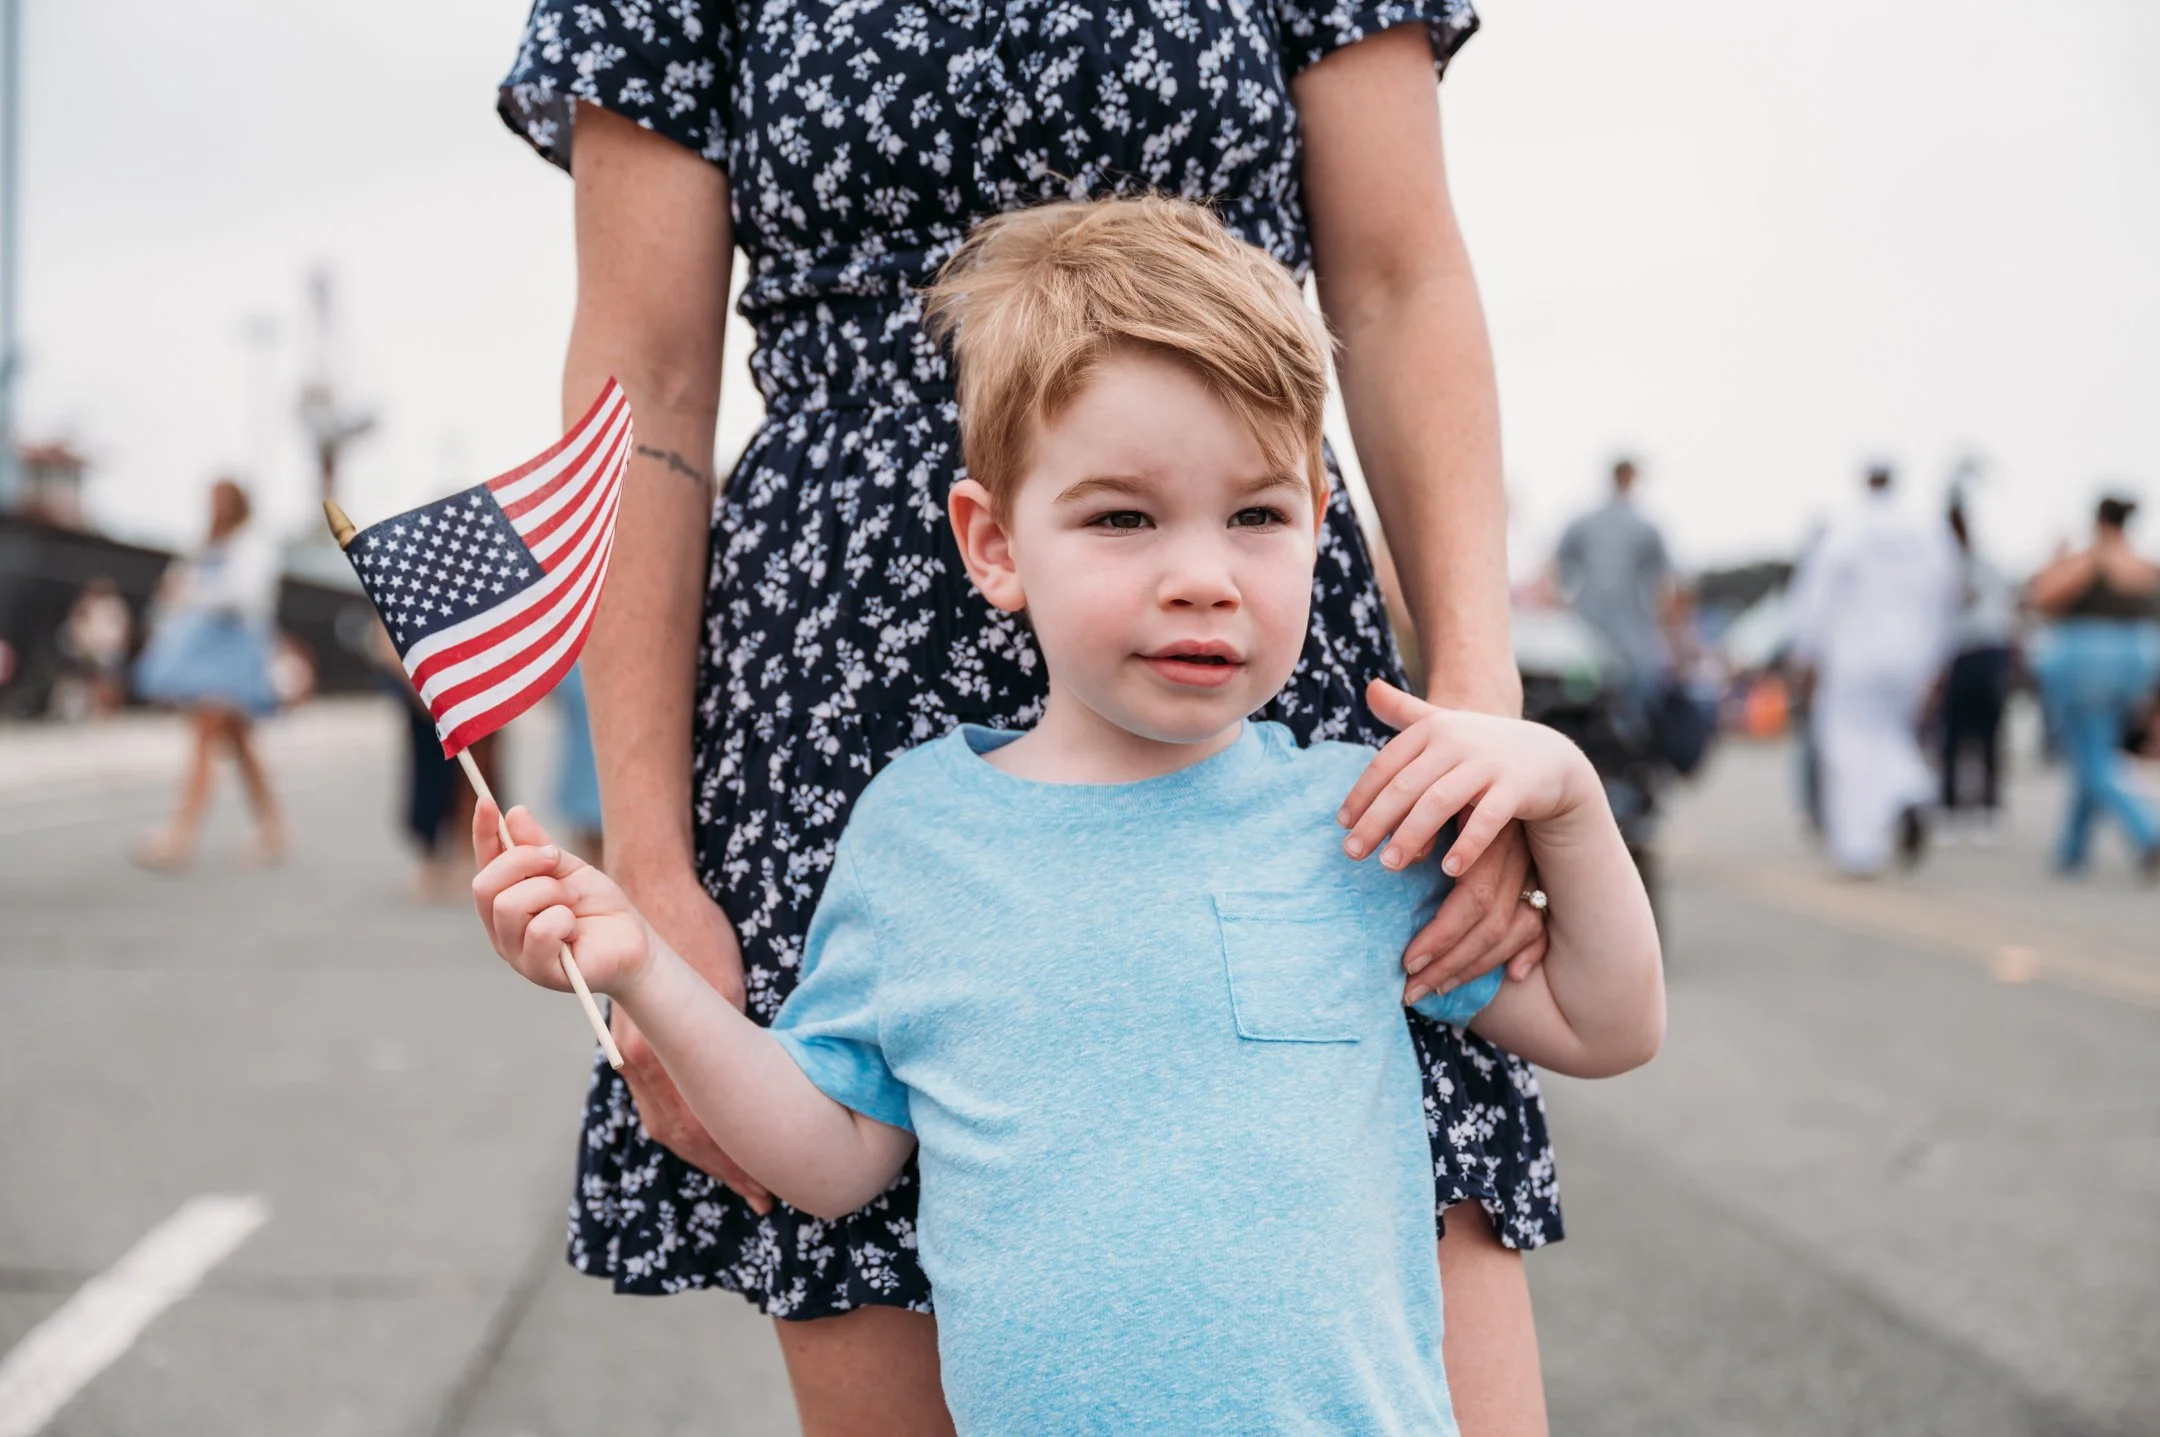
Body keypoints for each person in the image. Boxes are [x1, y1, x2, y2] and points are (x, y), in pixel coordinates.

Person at [499, 4, 1563, 1427]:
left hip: (1250, 642)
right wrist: (653, 860)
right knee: (859, 1206)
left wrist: (1482, 733)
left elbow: (1395, 281)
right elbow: (650, 384)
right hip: (844, 706)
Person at [1786, 465, 1959, 876]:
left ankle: (1859, 848)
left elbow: (1816, 596)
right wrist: (1938, 658)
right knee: (1891, 735)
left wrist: (1804, 654)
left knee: (1846, 746)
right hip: (1911, 654)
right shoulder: (1928, 533)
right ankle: (1910, 791)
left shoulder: (1847, 529)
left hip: (1854, 655)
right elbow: (1947, 597)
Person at [131, 478, 285, 869]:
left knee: (206, 732)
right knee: (237, 741)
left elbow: (243, 596)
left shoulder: (252, 544)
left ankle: (181, 835)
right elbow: (174, 588)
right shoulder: (201, 544)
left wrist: (193, 593)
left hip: (232, 655)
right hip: (202, 653)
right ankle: (272, 826)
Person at [2025, 496, 2160, 878]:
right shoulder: (2143, 565)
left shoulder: (2090, 560)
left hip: (2084, 661)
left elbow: (2044, 597)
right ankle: (2072, 851)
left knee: (2092, 759)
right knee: (2094, 750)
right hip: (2135, 661)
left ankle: (2148, 830)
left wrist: (2060, 559)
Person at [1554, 457, 1678, 709]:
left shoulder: (1583, 522)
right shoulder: (1645, 527)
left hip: (1587, 625)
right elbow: (1666, 583)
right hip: (1631, 631)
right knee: (1638, 693)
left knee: (1587, 696)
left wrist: (1563, 602)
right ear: (1632, 480)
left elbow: (1557, 568)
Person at [1938, 501, 2020, 842]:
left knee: (1985, 735)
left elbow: (2001, 608)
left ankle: (1987, 808)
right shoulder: (1939, 564)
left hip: (1983, 652)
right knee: (1952, 736)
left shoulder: (1983, 564)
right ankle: (1951, 808)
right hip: (1955, 654)